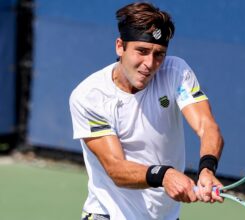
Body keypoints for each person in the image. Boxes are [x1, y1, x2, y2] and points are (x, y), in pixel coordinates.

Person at [69, 2, 224, 220]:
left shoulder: (175, 72)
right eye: (141, 51)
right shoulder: (89, 96)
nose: (150, 64)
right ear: (120, 47)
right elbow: (116, 168)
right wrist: (164, 175)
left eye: (159, 54)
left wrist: (207, 168)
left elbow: (206, 126)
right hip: (110, 214)